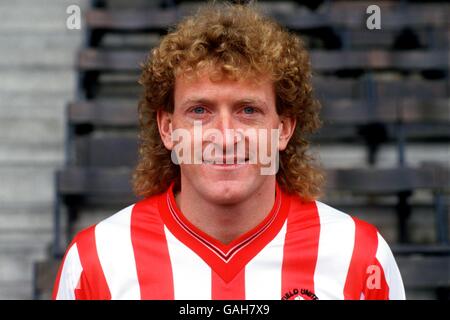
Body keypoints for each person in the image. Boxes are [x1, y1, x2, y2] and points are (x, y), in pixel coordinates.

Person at [53, 2, 405, 300]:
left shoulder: (360, 257)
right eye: (199, 111)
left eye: (248, 110)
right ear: (167, 128)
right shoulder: (96, 260)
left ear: (283, 128)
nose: (225, 136)